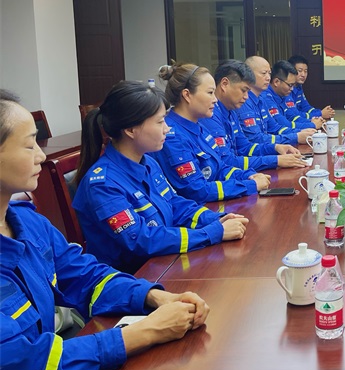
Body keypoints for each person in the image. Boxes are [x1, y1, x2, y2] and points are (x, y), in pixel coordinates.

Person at [0, 90, 211, 370]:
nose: (41, 156)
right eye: (30, 145)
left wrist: (152, 296)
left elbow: (84, 275)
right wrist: (145, 332)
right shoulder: (102, 181)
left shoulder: (27, 222)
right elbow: (17, 367)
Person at [72, 81, 249, 273]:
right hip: (135, 278)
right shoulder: (103, 184)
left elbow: (175, 204)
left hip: (164, 262)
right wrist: (211, 233)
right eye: (160, 122)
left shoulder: (148, 162)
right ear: (130, 130)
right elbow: (143, 239)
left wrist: (215, 219)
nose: (167, 128)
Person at [152, 64, 271, 203]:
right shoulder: (173, 136)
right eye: (210, 93)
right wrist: (249, 185)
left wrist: (249, 175)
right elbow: (198, 191)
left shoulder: (199, 127)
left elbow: (220, 169)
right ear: (187, 95)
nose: (215, 99)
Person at [201, 60, 308, 172]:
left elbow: (244, 147)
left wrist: (275, 148)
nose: (246, 97)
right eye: (243, 90)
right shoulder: (211, 115)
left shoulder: (231, 110)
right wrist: (274, 160)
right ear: (224, 84)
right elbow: (227, 161)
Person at [239, 56, 316, 146]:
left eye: (269, 73)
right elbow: (256, 139)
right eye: (264, 73)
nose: (268, 78)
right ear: (249, 74)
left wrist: (300, 132)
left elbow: (274, 128)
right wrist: (296, 137)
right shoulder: (244, 101)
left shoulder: (260, 99)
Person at [262, 60, 325, 134]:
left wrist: (311, 121)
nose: (292, 89)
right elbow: (282, 123)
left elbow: (292, 116)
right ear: (276, 82)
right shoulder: (266, 97)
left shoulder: (283, 93)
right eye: (290, 85)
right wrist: (311, 125)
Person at [288, 54, 335, 120]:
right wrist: (320, 114)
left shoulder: (299, 86)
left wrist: (324, 112)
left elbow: (306, 107)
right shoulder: (286, 89)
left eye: (305, 71)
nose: (303, 75)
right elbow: (294, 115)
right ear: (291, 71)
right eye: (300, 71)